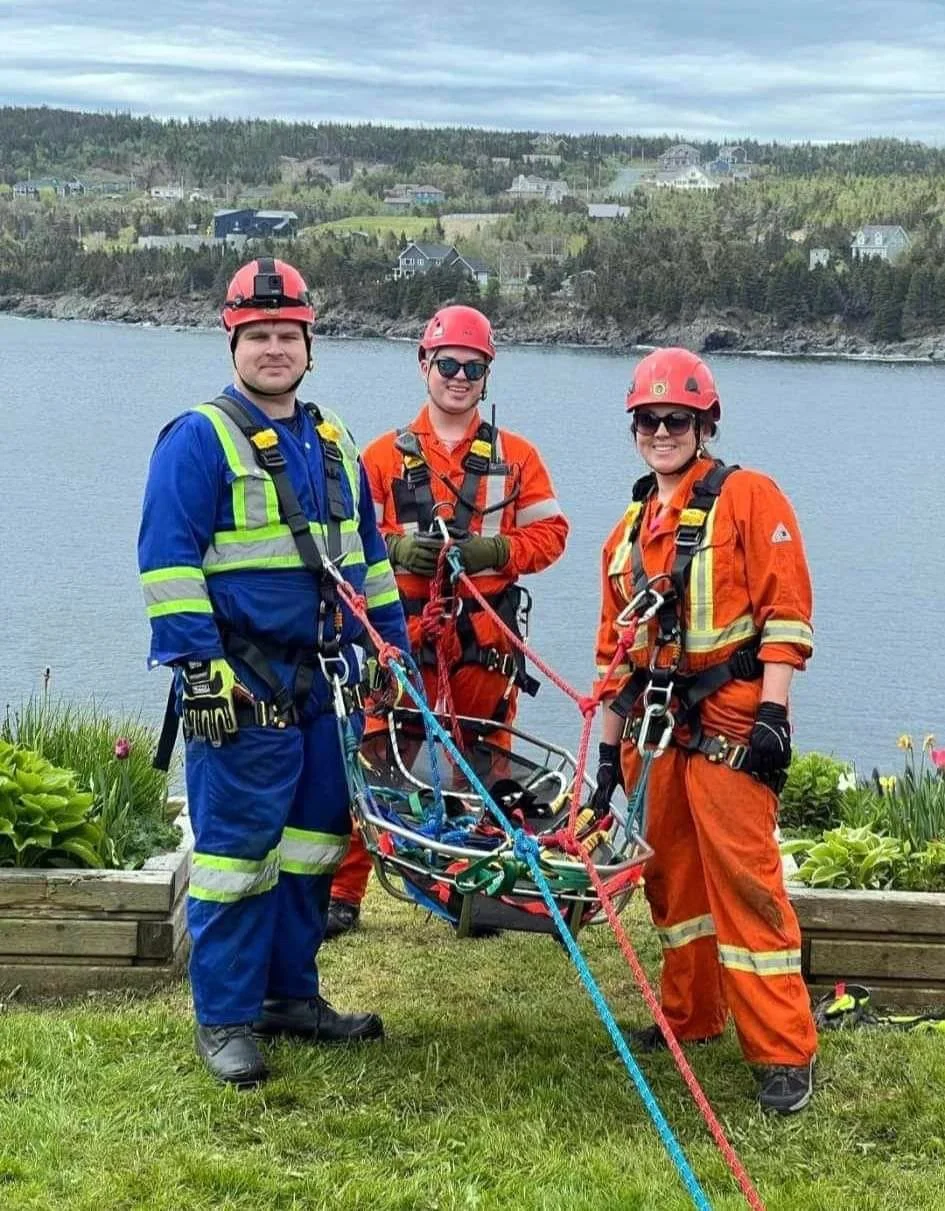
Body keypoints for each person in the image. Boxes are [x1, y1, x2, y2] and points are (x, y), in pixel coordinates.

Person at [137, 257, 409, 1086]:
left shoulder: (333, 443)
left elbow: (366, 563)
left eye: (285, 335)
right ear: (233, 342)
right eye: (257, 336)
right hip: (241, 687)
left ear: (308, 344)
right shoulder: (198, 438)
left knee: (310, 850)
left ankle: (289, 995)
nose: (272, 349)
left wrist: (390, 650)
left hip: (321, 683)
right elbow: (167, 561)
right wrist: (198, 666)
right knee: (234, 857)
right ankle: (224, 1017)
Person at [589, 346, 818, 1114]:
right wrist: (603, 762)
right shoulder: (626, 530)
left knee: (747, 887)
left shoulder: (748, 498)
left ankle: (783, 1053)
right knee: (673, 886)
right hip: (653, 736)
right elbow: (611, 653)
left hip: (727, 723)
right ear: (633, 428)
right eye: (649, 419)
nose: (662, 430)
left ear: (703, 422)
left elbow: (784, 610)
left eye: (676, 419)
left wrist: (773, 715)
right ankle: (691, 1016)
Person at [326, 304, 570, 937]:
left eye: (472, 367)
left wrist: (497, 551)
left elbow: (551, 534)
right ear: (424, 365)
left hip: (484, 650)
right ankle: (345, 894)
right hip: (402, 644)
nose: (459, 377)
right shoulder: (380, 457)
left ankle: (478, 897)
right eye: (448, 365)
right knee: (375, 757)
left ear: (487, 375)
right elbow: (350, 538)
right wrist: (396, 547)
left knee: (483, 769)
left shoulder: (516, 458)